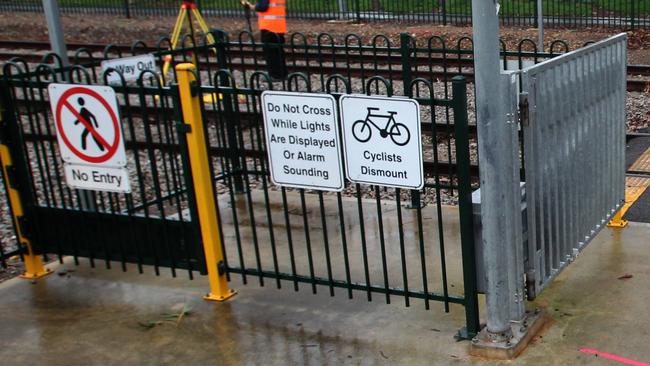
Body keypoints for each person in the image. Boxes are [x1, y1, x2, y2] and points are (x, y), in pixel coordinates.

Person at [241, 0, 288, 80]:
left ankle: (274, 75)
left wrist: (251, 6)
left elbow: (262, 7)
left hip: (268, 27)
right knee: (278, 52)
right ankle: (283, 74)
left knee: (270, 53)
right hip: (279, 26)